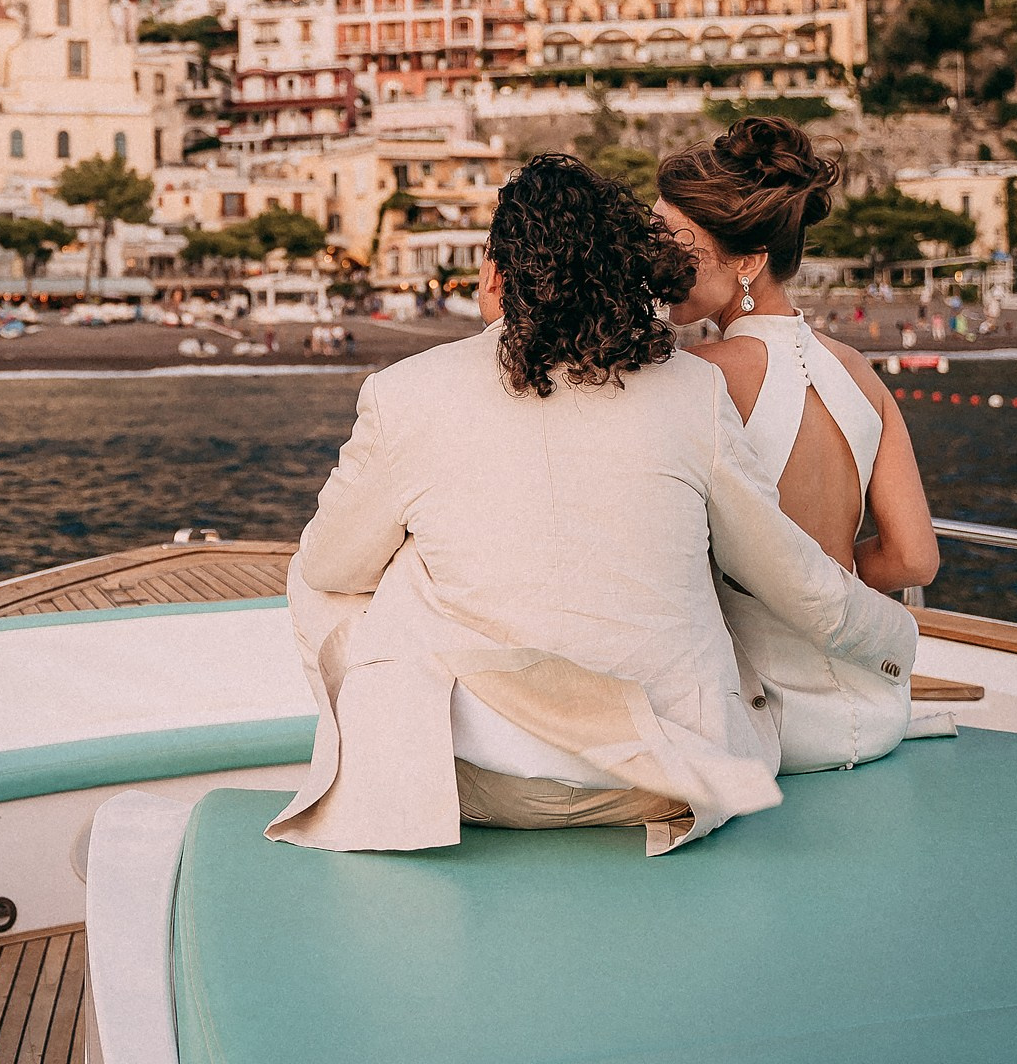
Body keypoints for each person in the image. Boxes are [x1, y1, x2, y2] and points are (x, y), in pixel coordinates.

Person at [271, 156, 916, 858]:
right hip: (670, 782)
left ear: (495, 274)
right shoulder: (690, 392)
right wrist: (892, 647)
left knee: (349, 566)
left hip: (471, 780)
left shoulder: (406, 393)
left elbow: (330, 567)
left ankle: (390, 767)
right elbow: (791, 576)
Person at [656, 120, 943, 774]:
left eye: (676, 243)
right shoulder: (862, 373)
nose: (659, 262)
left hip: (760, 722)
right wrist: (828, 573)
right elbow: (915, 558)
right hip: (878, 711)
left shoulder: (698, 374)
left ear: (749, 259)